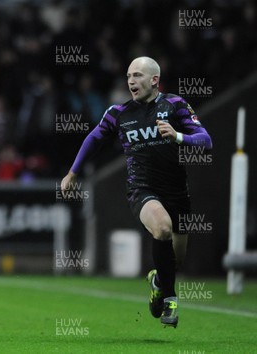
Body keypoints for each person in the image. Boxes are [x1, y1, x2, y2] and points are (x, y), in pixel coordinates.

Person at [61, 56, 212, 328]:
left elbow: (206, 141)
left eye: (138, 75)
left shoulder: (175, 105)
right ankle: (170, 299)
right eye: (129, 75)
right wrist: (73, 172)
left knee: (175, 259)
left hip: (177, 192)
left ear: (154, 80)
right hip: (141, 189)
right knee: (162, 228)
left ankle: (158, 280)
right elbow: (93, 138)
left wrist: (178, 136)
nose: (131, 81)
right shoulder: (119, 113)